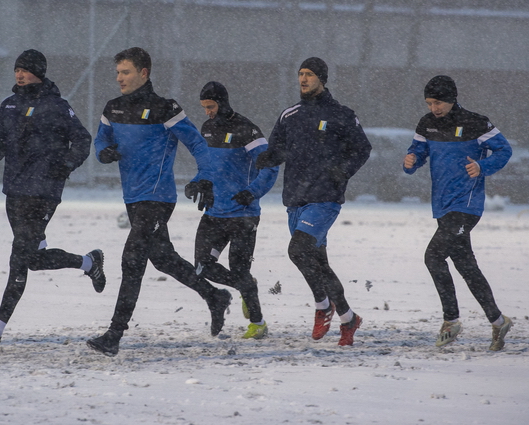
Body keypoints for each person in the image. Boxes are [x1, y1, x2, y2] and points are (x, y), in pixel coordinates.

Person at [86, 47, 232, 356]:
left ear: (143, 73)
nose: (120, 78)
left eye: (126, 72)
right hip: (133, 198)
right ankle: (214, 296)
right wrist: (103, 152)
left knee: (132, 257)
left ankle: (114, 333)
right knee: (163, 259)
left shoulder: (165, 108)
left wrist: (205, 176)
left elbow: (197, 142)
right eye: (117, 73)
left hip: (158, 198)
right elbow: (100, 139)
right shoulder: (113, 108)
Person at [0, 49, 104, 353]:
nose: (19, 75)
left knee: (19, 257)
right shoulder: (9, 104)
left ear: (39, 73)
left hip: (43, 192)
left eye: (25, 70)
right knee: (32, 259)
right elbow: (2, 138)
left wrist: (67, 163)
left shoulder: (57, 106)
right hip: (14, 191)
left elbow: (82, 140)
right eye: (16, 69)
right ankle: (89, 262)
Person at [255, 57, 371, 346]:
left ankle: (322, 306)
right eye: (300, 74)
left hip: (325, 198)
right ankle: (348, 317)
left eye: (309, 74)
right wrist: (268, 157)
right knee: (318, 262)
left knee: (298, 250)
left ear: (322, 78)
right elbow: (277, 149)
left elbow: (363, 149)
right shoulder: (289, 115)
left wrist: (342, 171)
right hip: (295, 198)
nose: (303, 79)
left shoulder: (341, 114)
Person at [403, 75, 513, 351]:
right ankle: (499, 322)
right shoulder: (426, 123)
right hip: (442, 205)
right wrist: (411, 160)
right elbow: (418, 150)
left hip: (466, 206)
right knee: (466, 265)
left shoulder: (476, 122)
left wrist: (482, 166)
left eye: (438, 102)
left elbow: (504, 150)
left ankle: (451, 321)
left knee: (433, 255)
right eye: (429, 103)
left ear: (451, 99)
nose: (434, 108)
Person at [189, 81, 279, 340]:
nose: (207, 112)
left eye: (211, 106)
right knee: (201, 267)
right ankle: (246, 287)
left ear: (223, 103)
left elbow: (270, 166)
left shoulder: (247, 130)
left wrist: (252, 192)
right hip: (214, 213)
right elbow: (206, 165)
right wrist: (199, 183)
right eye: (204, 107)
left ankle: (258, 323)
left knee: (239, 270)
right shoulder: (206, 129)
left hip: (243, 214)